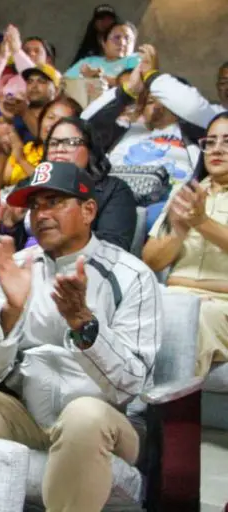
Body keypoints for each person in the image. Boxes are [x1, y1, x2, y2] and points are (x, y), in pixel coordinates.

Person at [0, 161, 162, 512]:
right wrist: (10, 314)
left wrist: (84, 325)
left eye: (54, 202)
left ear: (88, 211)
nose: (41, 214)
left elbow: (131, 384)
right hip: (26, 415)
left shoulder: (132, 276)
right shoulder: (16, 268)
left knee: (84, 415)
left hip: (107, 421)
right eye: (35, 205)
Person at [83, 46, 221, 227]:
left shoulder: (198, 132)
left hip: (166, 207)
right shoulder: (124, 130)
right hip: (113, 201)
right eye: (148, 98)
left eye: (162, 96)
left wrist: (152, 77)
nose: (154, 101)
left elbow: (192, 107)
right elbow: (83, 127)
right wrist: (128, 90)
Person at [143, 112, 228, 376]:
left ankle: (165, 401)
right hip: (175, 296)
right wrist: (179, 230)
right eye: (210, 142)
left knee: (192, 319)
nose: (217, 149)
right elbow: (151, 260)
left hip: (220, 304)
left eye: (227, 141)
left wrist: (201, 222)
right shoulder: (186, 193)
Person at [37, 116, 137, 251]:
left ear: (90, 149)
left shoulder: (114, 190)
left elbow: (114, 246)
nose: (59, 149)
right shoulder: (33, 188)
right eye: (53, 143)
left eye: (71, 142)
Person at [0, 96, 83, 189]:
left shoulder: (71, 156)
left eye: (61, 120)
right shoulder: (29, 148)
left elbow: (52, 186)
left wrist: (21, 159)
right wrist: (4, 152)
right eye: (50, 117)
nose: (52, 124)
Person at [65, 22, 140, 84]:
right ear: (104, 42)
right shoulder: (89, 61)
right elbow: (64, 82)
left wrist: (98, 77)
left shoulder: (136, 59)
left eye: (127, 39)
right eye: (116, 38)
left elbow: (131, 83)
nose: (122, 43)